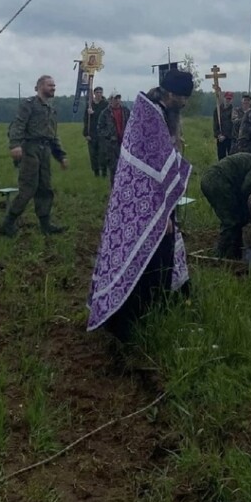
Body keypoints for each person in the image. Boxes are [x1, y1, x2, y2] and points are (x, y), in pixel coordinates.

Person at [87, 68, 194, 342]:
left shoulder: (161, 112)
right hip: (140, 201)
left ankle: (156, 308)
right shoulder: (150, 115)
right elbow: (153, 167)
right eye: (182, 97)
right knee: (141, 254)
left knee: (163, 251)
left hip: (155, 200)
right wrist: (163, 213)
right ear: (170, 93)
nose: (184, 103)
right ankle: (127, 319)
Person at [0, 75, 68, 237]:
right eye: (50, 85)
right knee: (28, 188)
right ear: (40, 87)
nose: (53, 88)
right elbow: (18, 124)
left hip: (45, 151)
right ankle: (8, 223)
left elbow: (53, 135)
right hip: (30, 149)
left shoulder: (51, 109)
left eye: (54, 85)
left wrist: (61, 156)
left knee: (45, 188)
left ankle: (45, 224)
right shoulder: (29, 105)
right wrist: (15, 144)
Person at [200, 152, 251, 259]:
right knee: (231, 221)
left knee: (232, 217)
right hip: (219, 182)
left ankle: (232, 250)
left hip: (208, 178)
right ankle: (221, 254)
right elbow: (247, 187)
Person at [97, 93, 131, 185]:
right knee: (114, 168)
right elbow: (100, 128)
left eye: (119, 98)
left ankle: (124, 186)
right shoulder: (105, 113)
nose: (117, 100)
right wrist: (109, 136)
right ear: (110, 100)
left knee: (126, 167)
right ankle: (114, 188)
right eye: (115, 98)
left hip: (125, 144)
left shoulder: (126, 111)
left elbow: (132, 124)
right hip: (111, 146)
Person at [83, 86, 109, 177]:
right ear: (94, 94)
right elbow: (86, 119)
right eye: (97, 92)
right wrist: (86, 133)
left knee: (103, 153)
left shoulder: (105, 104)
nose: (99, 94)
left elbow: (105, 116)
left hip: (102, 133)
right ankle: (96, 172)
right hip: (92, 133)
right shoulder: (90, 104)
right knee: (93, 154)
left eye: (100, 92)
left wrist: (94, 113)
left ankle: (104, 172)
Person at [213, 90, 235, 159]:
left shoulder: (234, 110)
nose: (228, 100)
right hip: (220, 139)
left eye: (230, 99)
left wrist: (225, 135)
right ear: (224, 98)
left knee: (231, 158)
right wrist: (218, 135)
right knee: (221, 158)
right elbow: (215, 124)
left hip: (230, 138)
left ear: (232, 100)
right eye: (227, 98)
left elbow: (233, 126)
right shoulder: (218, 109)